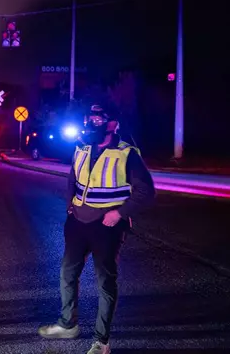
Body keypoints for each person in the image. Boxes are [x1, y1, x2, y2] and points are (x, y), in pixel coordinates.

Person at [38, 104, 156, 354]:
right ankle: (68, 324)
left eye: (97, 119)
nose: (91, 123)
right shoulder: (82, 147)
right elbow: (72, 177)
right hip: (78, 223)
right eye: (89, 118)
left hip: (107, 227)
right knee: (67, 274)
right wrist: (70, 204)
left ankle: (102, 342)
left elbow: (146, 192)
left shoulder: (127, 154)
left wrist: (119, 214)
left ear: (112, 124)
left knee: (105, 283)